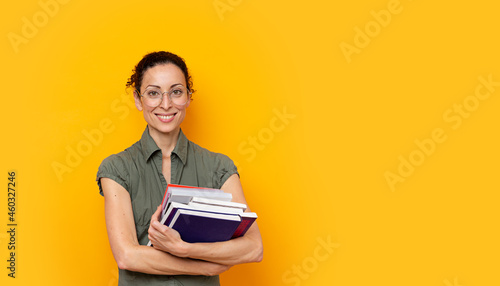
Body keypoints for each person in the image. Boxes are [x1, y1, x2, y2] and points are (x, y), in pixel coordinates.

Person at [96, 51, 263, 285]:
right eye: (153, 93)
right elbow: (127, 256)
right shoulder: (117, 169)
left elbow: (253, 248)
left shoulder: (219, 168)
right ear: (137, 99)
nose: (166, 104)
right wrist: (206, 267)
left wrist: (183, 248)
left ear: (188, 97)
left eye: (176, 92)